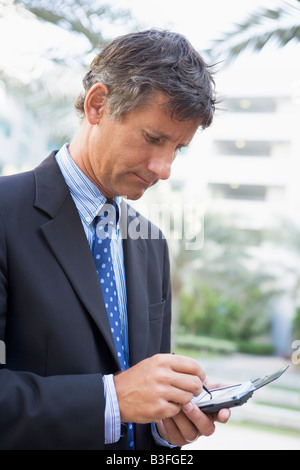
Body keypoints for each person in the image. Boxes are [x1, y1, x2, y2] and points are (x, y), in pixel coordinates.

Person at [0, 28, 230, 450]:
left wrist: (165, 425)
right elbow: (122, 397)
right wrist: (112, 400)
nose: (164, 168)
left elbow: (141, 398)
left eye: (178, 148)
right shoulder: (3, 214)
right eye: (154, 138)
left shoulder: (152, 244)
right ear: (98, 105)